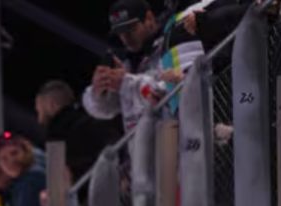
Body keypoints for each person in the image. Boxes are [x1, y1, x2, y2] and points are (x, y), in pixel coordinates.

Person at [83, 0, 206, 133]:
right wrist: (99, 92)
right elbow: (106, 110)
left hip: (183, 135)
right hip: (146, 145)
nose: (126, 38)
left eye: (131, 29)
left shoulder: (174, 36)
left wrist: (129, 84)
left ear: (149, 18)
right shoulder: (127, 61)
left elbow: (184, 88)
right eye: (120, 32)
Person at [35, 80, 123, 184]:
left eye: (39, 111)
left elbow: (57, 191)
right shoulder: (95, 113)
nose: (39, 120)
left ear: (52, 105)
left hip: (102, 188)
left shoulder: (55, 135)